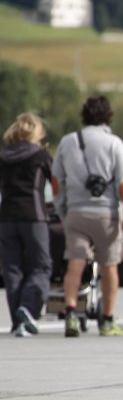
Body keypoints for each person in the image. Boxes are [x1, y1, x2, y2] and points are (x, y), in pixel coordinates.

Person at [52, 95, 123, 337]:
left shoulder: (68, 142)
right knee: (109, 266)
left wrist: (62, 210)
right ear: (108, 116)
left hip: (76, 212)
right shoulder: (114, 144)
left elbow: (56, 181)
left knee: (75, 264)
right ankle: (107, 320)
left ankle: (70, 313)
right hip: (106, 215)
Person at [0, 113, 57, 337]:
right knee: (41, 266)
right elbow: (57, 183)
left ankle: (18, 322)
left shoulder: (3, 156)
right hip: (34, 216)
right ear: (36, 132)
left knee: (12, 269)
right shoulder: (41, 156)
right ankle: (29, 308)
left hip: (6, 218)